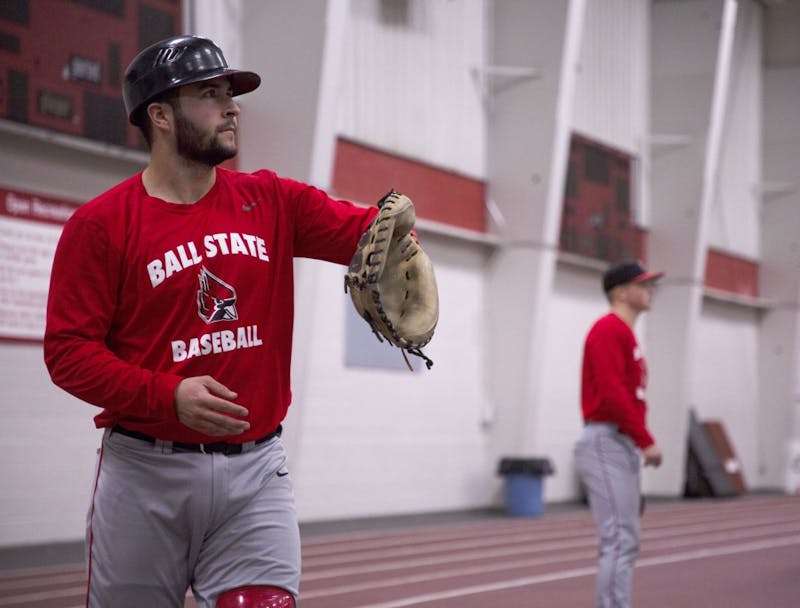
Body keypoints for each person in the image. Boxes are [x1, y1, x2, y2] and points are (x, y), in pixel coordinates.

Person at [43, 35, 381, 608]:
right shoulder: (101, 225)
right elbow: (68, 352)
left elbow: (379, 233)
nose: (232, 107)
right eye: (209, 94)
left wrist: (404, 243)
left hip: (256, 473)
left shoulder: (272, 200)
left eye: (230, 93)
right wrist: (167, 394)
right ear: (161, 117)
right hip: (145, 473)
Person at [573, 260, 665, 608]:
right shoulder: (609, 329)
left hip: (618, 440)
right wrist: (645, 440)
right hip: (605, 438)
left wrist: (637, 438)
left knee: (624, 539)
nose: (650, 290)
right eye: (643, 284)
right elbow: (612, 394)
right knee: (620, 539)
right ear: (621, 292)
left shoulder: (624, 333)